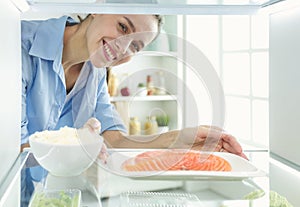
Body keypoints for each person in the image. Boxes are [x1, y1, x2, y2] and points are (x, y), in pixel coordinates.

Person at [20, 13, 246, 206]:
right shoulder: (18, 43)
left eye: (136, 46)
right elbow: (14, 147)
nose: (123, 48)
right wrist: (80, 145)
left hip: (30, 190)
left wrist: (179, 139)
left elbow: (114, 139)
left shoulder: (96, 72)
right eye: (123, 26)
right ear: (98, 6)